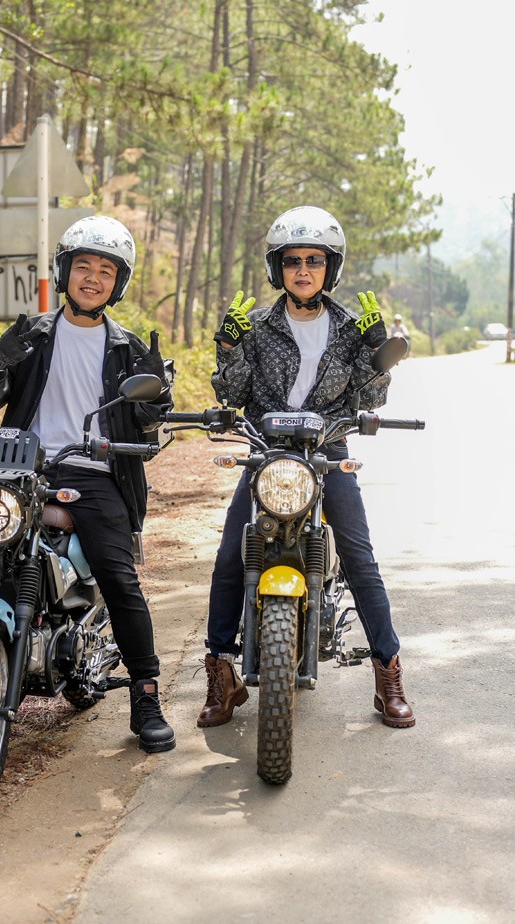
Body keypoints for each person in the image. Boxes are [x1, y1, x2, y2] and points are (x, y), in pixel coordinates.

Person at [198, 205, 415, 730]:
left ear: (329, 268)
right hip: (267, 456)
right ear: (277, 268)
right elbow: (232, 393)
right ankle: (220, 671)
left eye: (314, 260)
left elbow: (373, 397)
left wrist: (374, 352)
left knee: (360, 557)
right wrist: (227, 348)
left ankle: (387, 675)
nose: (302, 269)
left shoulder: (346, 329)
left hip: (328, 453)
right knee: (231, 554)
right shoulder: (255, 327)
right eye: (291, 260)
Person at [0, 215, 176, 753]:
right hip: (25, 467)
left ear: (117, 284)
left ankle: (147, 695)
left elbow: (150, 422)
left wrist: (157, 400)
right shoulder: (33, 334)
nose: (92, 278)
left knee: (120, 579)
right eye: (83, 266)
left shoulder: (127, 347)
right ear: (65, 272)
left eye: (105, 271)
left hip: (94, 472)